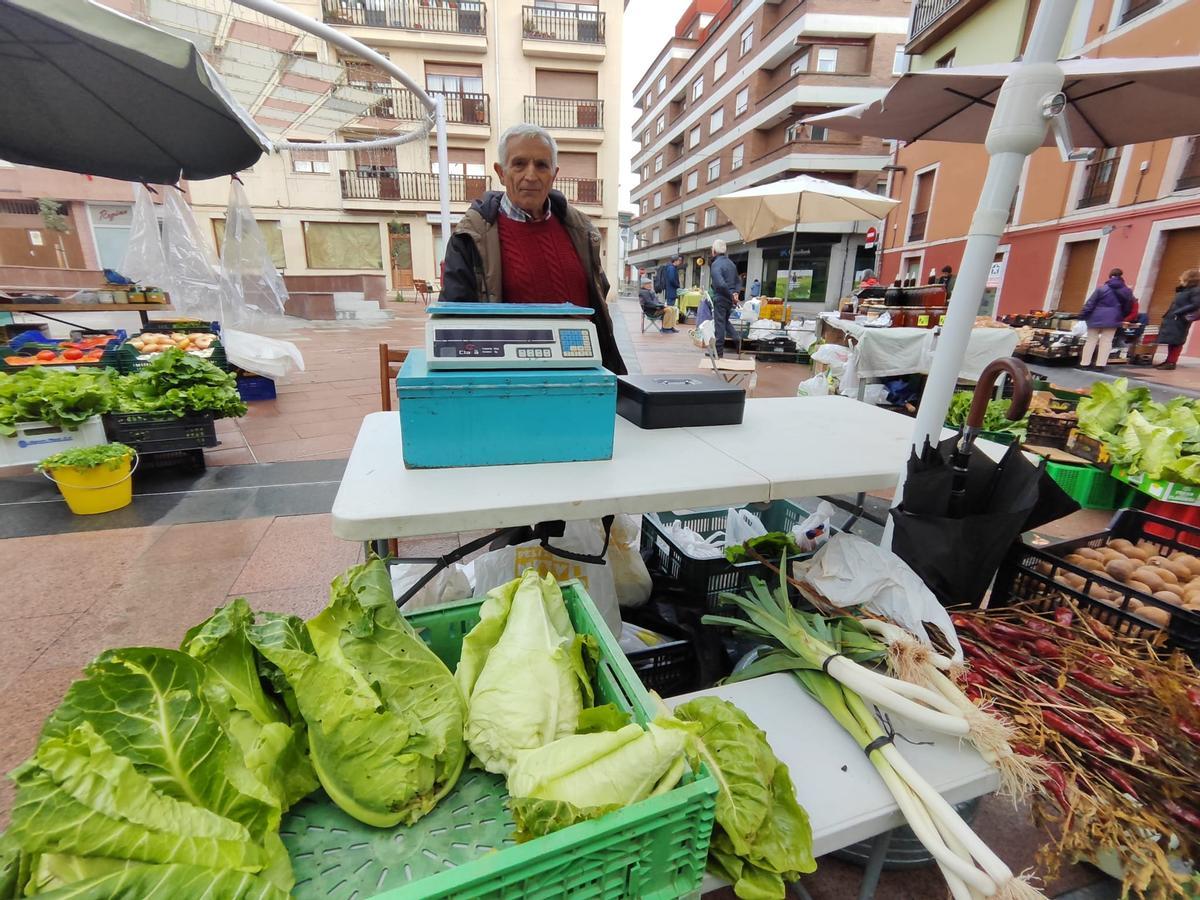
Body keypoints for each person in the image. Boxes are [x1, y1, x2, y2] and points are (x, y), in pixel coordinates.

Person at [440, 123, 626, 374]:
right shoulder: (470, 237)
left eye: (541, 165)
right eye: (519, 164)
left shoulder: (581, 231)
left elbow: (597, 307)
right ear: (501, 172)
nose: (531, 175)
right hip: (511, 383)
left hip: (583, 379)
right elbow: (452, 323)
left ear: (554, 174)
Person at [1080, 267, 1134, 369]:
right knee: (1107, 341)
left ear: (1110, 276)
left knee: (1091, 340)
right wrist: (1120, 316)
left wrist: (1083, 315)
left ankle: (1085, 363)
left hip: (1095, 317)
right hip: (1113, 318)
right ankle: (1100, 365)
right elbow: (1128, 307)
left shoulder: (1101, 289)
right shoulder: (1127, 291)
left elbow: (1090, 304)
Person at [1155, 268, 1200, 370]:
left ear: (1189, 277)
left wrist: (1178, 312)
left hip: (1180, 318)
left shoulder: (1196, 290)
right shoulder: (1186, 289)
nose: (1180, 277)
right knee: (1172, 340)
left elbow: (1196, 304)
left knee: (1177, 340)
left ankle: (1171, 362)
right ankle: (1168, 361)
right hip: (1174, 317)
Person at [709, 239, 741, 358]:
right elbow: (738, 281)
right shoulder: (731, 263)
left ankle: (718, 351)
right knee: (724, 321)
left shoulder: (716, 264)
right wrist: (735, 293)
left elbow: (721, 284)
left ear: (714, 250)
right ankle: (737, 338)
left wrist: (731, 295)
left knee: (720, 324)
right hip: (729, 299)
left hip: (721, 297)